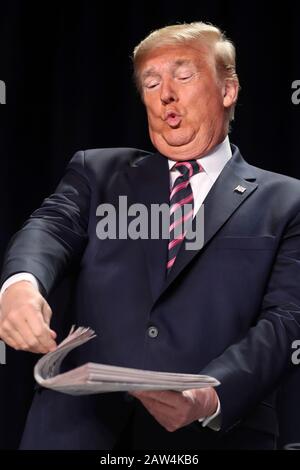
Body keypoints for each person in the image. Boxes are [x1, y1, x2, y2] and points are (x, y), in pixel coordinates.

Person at [0, 21, 300, 450]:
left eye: (182, 75)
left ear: (228, 90)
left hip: (208, 439)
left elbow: (288, 320)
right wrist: (20, 285)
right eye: (151, 82)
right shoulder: (97, 172)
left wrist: (210, 394)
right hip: (77, 432)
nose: (165, 95)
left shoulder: (287, 201)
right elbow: (48, 228)